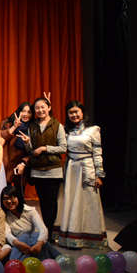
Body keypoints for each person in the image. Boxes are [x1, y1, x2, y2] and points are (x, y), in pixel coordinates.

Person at [56, 101, 108, 249]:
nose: (74, 115)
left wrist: (99, 175)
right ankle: (70, 237)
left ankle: (90, 238)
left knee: (89, 202)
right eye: (71, 112)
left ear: (82, 113)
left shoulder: (93, 130)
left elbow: (97, 153)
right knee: (71, 201)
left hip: (87, 169)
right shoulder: (66, 131)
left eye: (76, 112)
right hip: (71, 168)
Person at [15, 95, 67, 234]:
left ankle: (49, 232)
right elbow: (31, 151)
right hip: (37, 171)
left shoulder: (57, 125)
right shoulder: (32, 126)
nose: (40, 110)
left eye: (42, 107)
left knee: (52, 203)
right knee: (43, 203)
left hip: (53, 170)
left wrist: (45, 148)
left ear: (49, 107)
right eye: (37, 108)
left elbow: (63, 148)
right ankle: (46, 231)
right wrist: (27, 143)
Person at [0, 185, 60, 260]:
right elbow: (7, 234)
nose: (9, 201)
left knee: (37, 237)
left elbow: (43, 229)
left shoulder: (30, 211)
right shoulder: (3, 215)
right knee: (24, 239)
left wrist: (39, 244)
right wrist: (17, 243)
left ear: (18, 197)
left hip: (33, 241)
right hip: (18, 243)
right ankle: (57, 258)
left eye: (12, 197)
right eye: (5, 199)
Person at [0, 102, 32, 188]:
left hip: (21, 165)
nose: (25, 114)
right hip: (6, 163)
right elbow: (0, 137)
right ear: (18, 112)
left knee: (19, 191)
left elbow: (33, 150)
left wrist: (24, 163)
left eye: (29, 112)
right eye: (23, 111)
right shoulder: (8, 123)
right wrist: (14, 127)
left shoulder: (33, 128)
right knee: (4, 191)